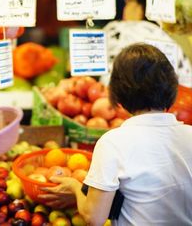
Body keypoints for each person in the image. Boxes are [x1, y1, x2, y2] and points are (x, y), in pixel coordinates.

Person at [40, 43, 192, 225]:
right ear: (172, 86)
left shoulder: (113, 143)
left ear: (118, 93)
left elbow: (93, 218)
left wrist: (74, 187)